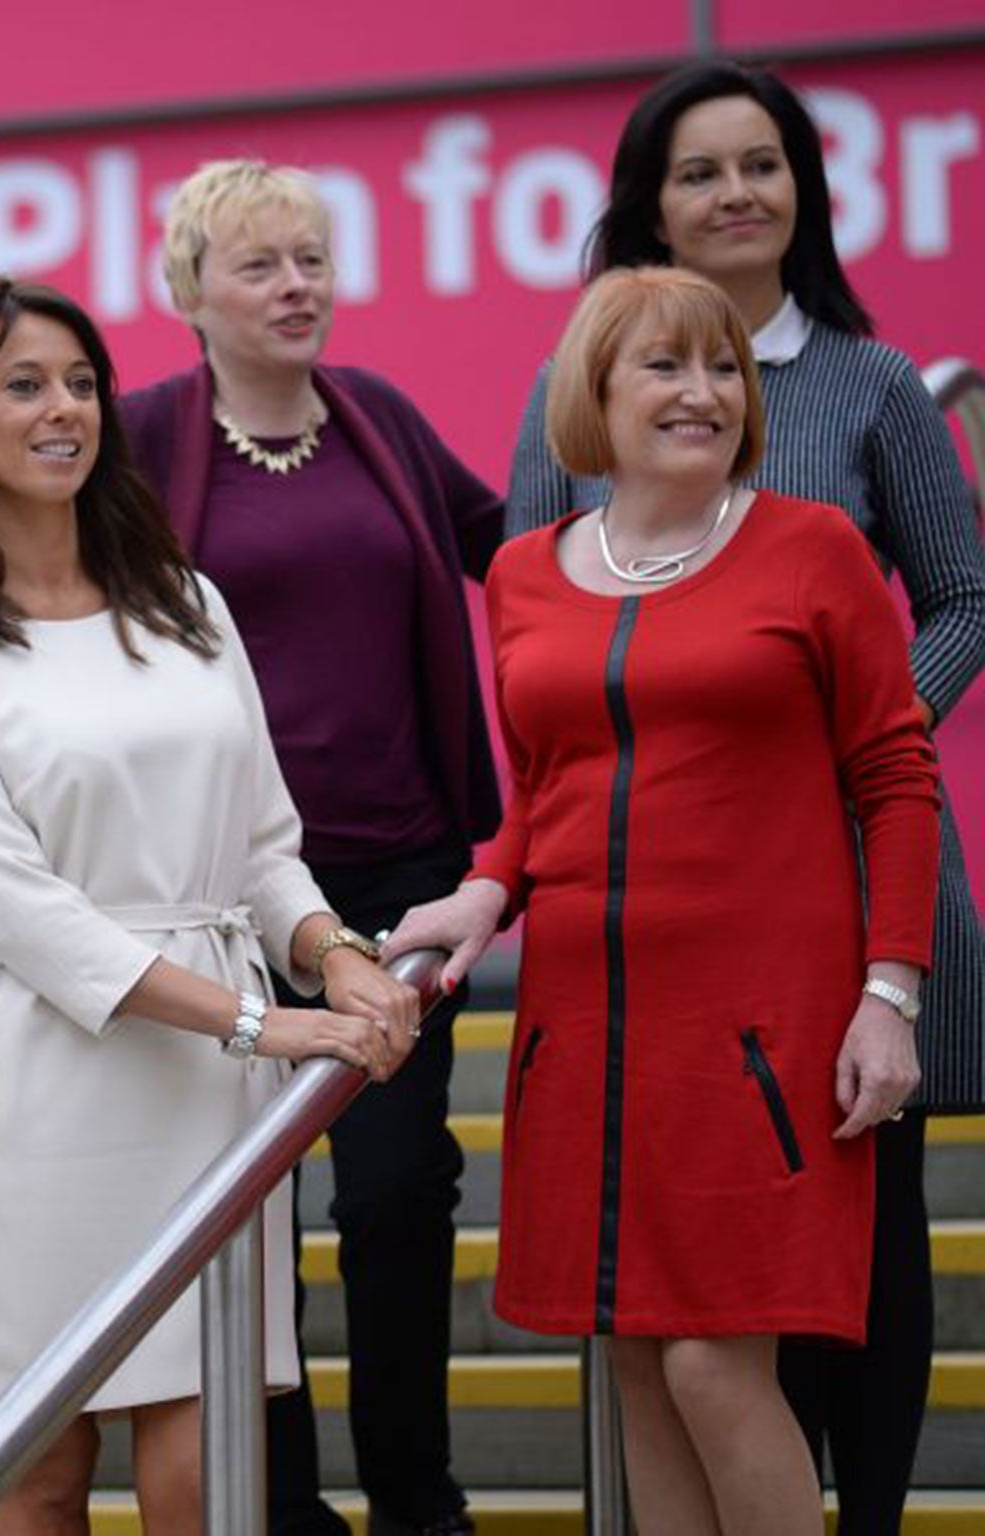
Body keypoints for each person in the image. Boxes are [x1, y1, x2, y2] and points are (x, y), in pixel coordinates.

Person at [504, 63, 985, 1533]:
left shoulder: (872, 380)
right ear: (649, 202)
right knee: (664, 1339)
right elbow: (554, 658)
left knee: (854, 1267)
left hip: (841, 900)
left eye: (762, 165)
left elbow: (960, 596)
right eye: (700, 170)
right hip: (640, 937)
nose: (735, 194)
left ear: (803, 190)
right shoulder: (567, 406)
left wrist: (836, 736)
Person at [390, 268, 941, 1536]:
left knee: (708, 1358)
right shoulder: (524, 574)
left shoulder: (814, 549)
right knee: (636, 1358)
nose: (701, 393)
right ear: (590, 392)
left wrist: (887, 994)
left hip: (758, 1026)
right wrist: (486, 888)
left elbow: (894, 779)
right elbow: (543, 788)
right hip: (583, 1026)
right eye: (663, 367)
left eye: (723, 371)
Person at [0, 276, 419, 1532]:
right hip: (31, 1084)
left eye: (80, 382)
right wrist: (260, 1024)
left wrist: (333, 957)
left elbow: (261, 844)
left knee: (205, 1476)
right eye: (22, 385)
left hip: (199, 1102)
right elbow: (19, 912)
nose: (61, 408)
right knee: (39, 1479)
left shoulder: (185, 603)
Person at [118, 158, 503, 1536]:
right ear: (189, 293)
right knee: (250, 1206)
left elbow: (516, 555)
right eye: (261, 265)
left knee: (399, 1190)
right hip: (221, 891)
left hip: (398, 880)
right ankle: (278, 1500)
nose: (297, 287)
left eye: (313, 262)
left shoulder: (379, 418)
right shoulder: (140, 435)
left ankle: (413, 1488)